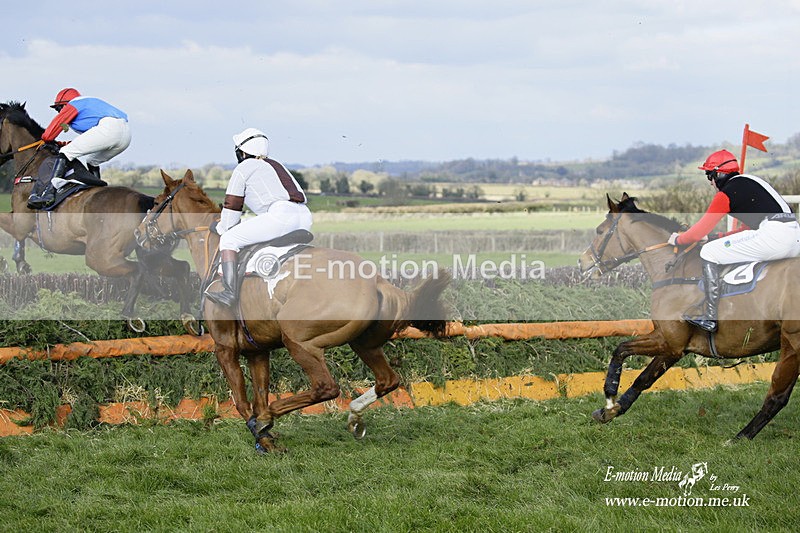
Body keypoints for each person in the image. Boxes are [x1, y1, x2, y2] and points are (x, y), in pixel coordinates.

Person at [668, 149, 800, 333]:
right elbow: (747, 231)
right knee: (714, 246)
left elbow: (697, 233)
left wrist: (679, 240)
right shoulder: (751, 182)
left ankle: (710, 316)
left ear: (718, 175)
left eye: (709, 176)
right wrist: (714, 238)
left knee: (709, 252)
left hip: (774, 235)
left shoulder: (726, 194)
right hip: (794, 236)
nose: (710, 183)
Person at [205, 127, 313, 307]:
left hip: (280, 216)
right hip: (304, 216)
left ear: (242, 152)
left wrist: (221, 228)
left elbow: (232, 206)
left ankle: (229, 293)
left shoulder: (244, 168)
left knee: (229, 240)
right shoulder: (276, 164)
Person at [27, 88, 131, 209]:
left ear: (65, 104)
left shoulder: (74, 104)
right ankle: (98, 192)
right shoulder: (88, 105)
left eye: (58, 108)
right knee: (92, 160)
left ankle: (49, 193)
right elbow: (92, 140)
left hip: (109, 129)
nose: (59, 112)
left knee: (65, 152)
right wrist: (64, 143)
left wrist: (46, 138)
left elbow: (55, 126)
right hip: (125, 135)